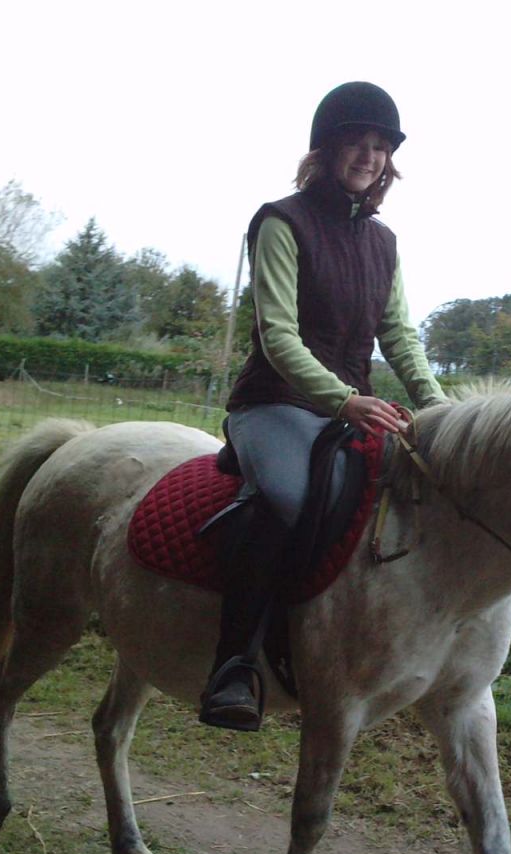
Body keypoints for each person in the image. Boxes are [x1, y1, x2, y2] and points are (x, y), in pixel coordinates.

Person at [200, 81, 446, 731]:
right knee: (287, 494)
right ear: (326, 150)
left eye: (380, 147)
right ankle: (234, 664)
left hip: (351, 406)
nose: (368, 157)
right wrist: (344, 400)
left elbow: (399, 335)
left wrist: (439, 407)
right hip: (275, 402)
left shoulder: (384, 242)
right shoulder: (281, 222)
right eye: (355, 143)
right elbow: (277, 336)